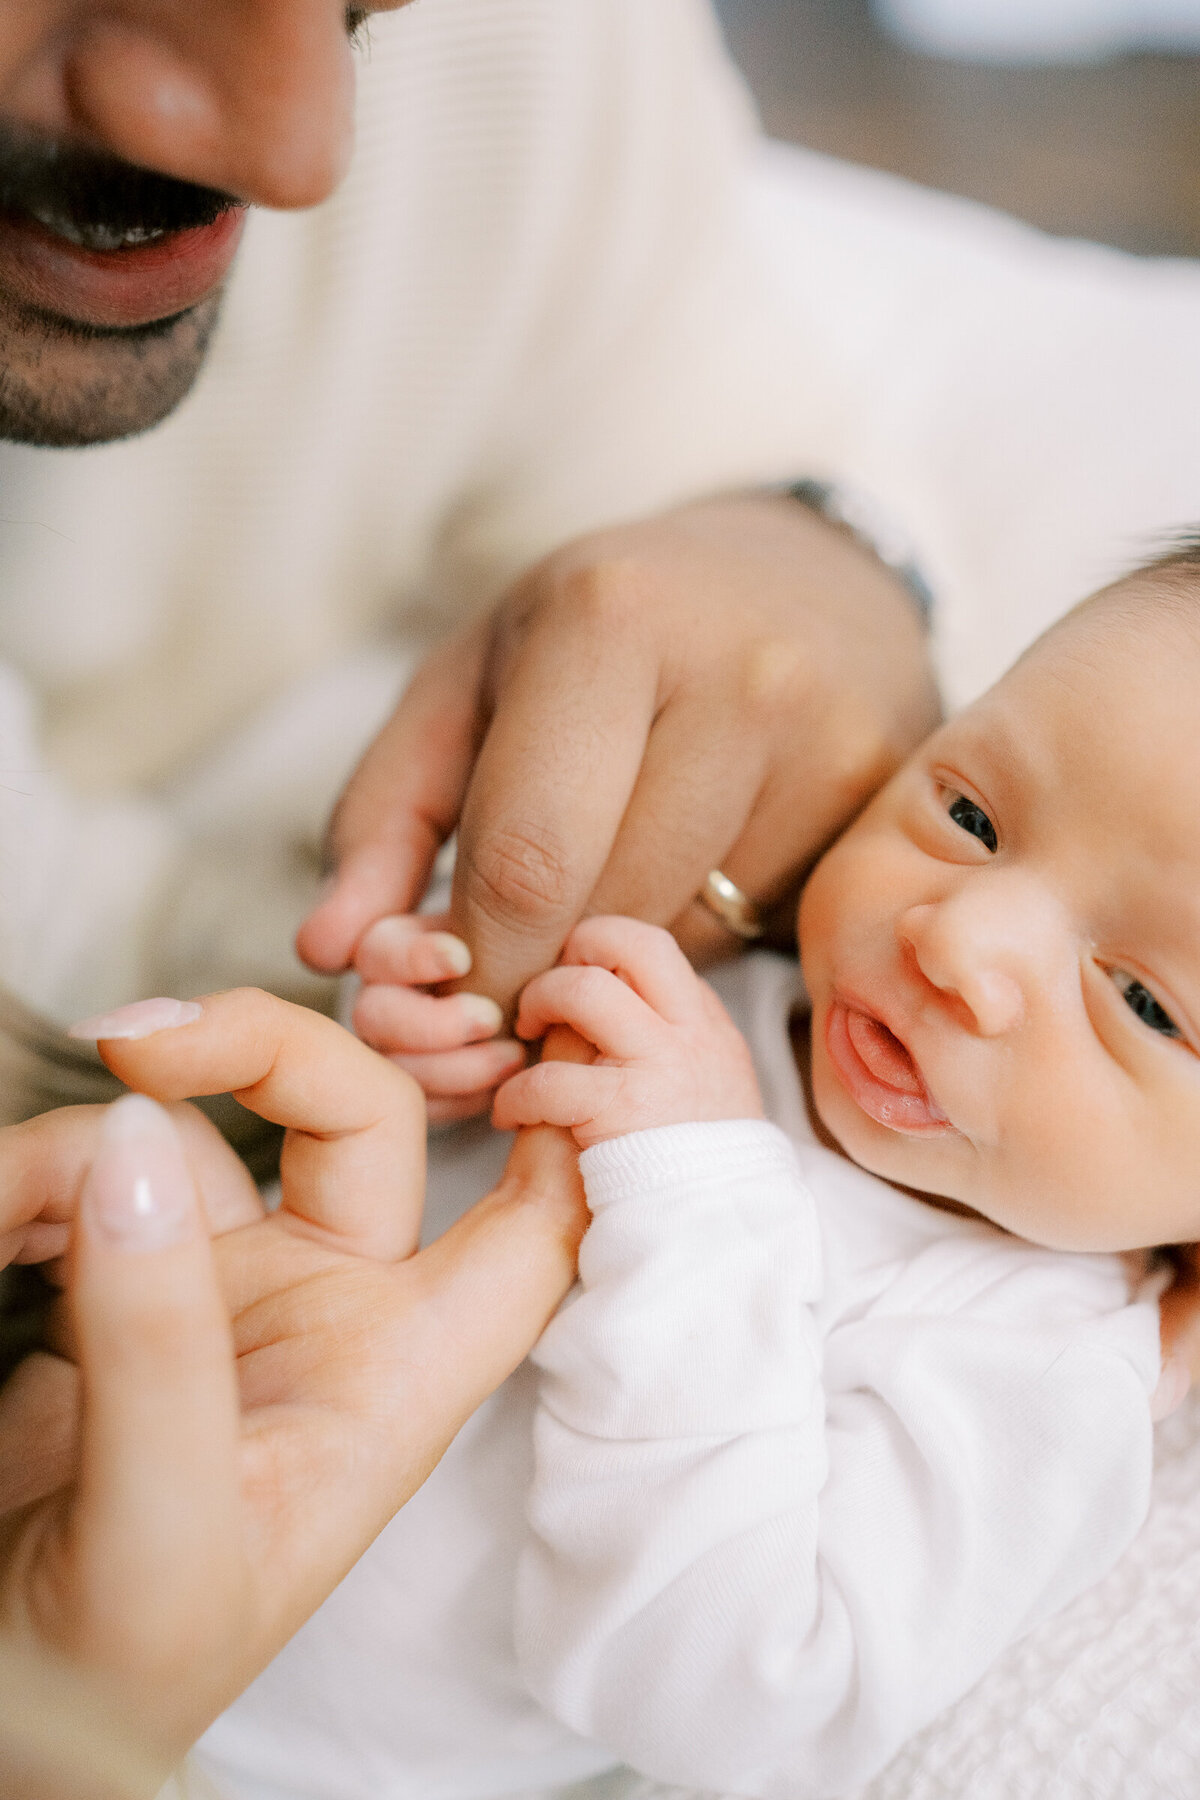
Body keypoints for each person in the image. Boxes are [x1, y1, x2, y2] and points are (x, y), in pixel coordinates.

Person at [157, 548, 1198, 1798]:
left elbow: (750, 1712)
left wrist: (697, 1204)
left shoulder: (1032, 1364)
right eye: (970, 816)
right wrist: (428, 1041)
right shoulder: (730, 970)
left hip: (239, 1757)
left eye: (1144, 1000)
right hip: (90, 1442)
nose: (960, 940)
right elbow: (387, 1154)